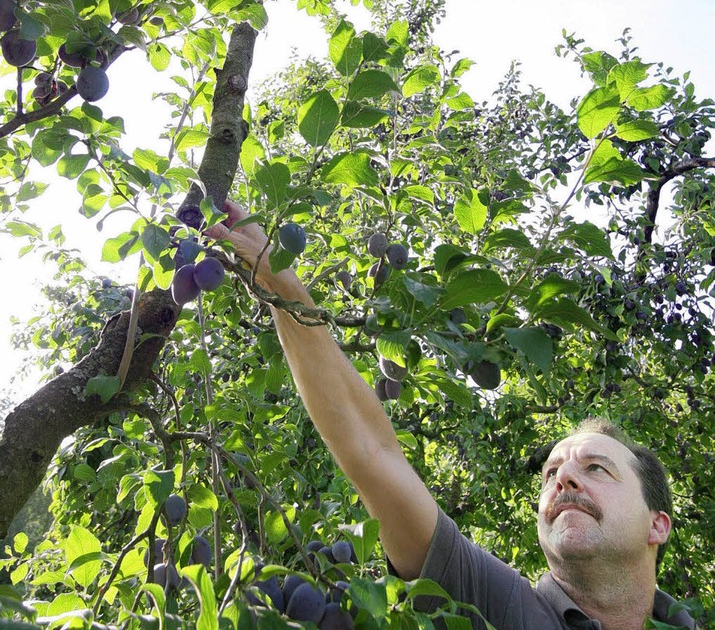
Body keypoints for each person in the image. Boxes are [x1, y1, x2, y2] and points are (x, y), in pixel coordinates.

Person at [206, 201, 696, 630]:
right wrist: (278, 280)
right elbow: (372, 451)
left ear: (658, 525)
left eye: (596, 467)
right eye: (550, 473)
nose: (563, 478)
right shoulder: (493, 605)